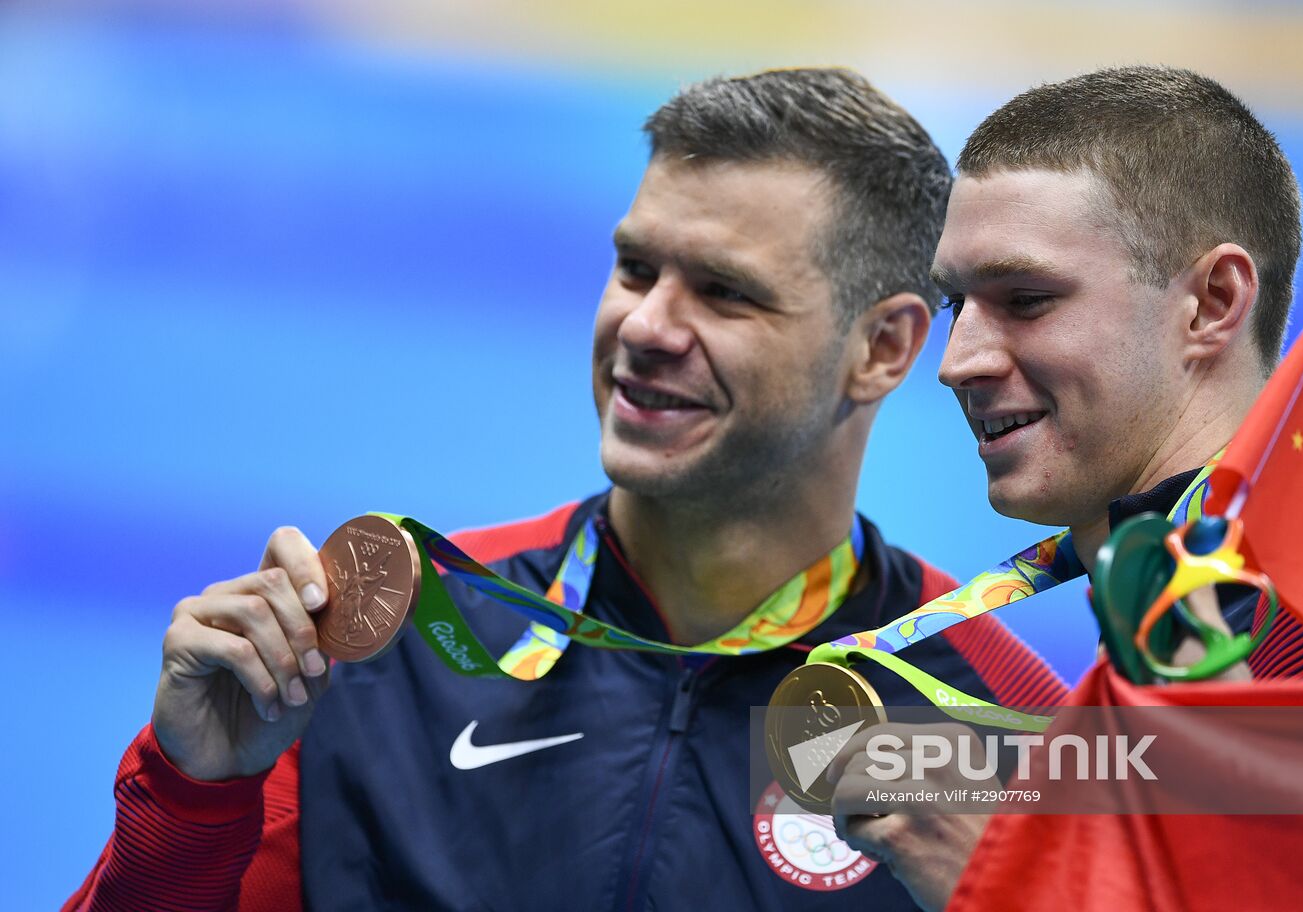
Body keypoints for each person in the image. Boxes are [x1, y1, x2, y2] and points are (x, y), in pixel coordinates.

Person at [66, 68, 1067, 911]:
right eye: (635, 270)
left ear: (881, 347)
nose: (645, 327)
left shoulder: (994, 723)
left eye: (723, 292)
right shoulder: (389, 645)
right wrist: (195, 793)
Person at [830, 65, 1303, 909]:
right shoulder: (1182, 632)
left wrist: (1005, 891)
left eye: (1027, 299)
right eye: (956, 302)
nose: (957, 360)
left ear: (1213, 303)